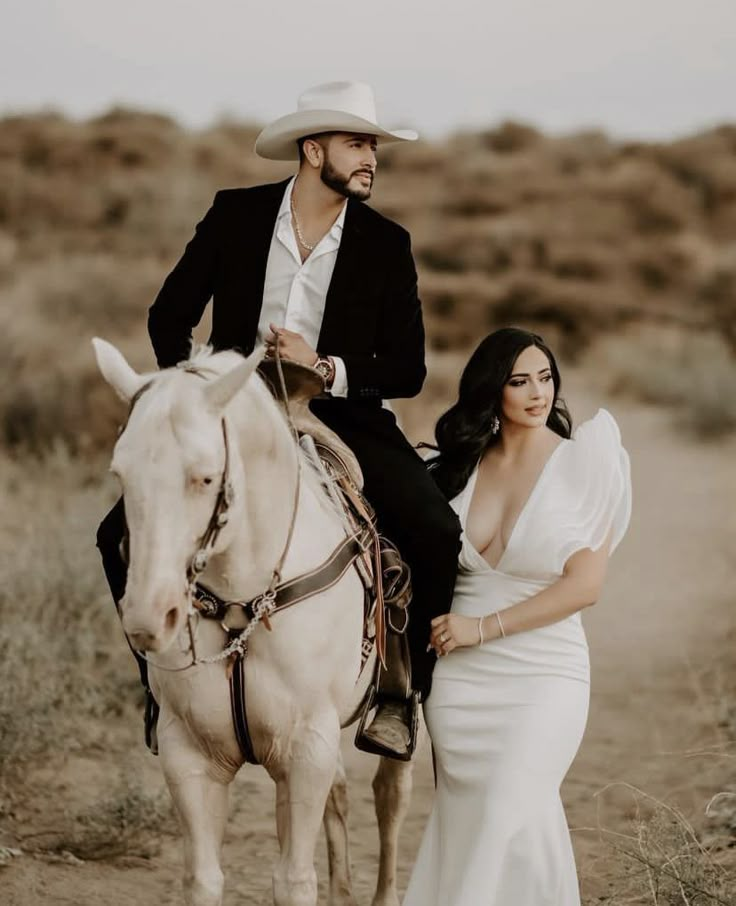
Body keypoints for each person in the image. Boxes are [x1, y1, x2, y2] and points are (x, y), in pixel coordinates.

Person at [96, 81, 462, 758]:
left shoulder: (387, 243)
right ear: (312, 147)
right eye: (357, 144)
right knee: (114, 531)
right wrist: (196, 392)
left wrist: (325, 368)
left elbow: (408, 368)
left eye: (374, 145)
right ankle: (158, 688)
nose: (370, 158)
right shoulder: (236, 215)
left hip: (341, 415)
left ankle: (398, 694)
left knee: (437, 531)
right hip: (233, 413)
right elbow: (168, 315)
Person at [403, 327, 632, 905]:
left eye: (546, 378)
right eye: (519, 380)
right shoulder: (454, 470)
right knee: (488, 823)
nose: (538, 393)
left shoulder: (588, 463)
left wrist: (482, 628)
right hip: (460, 683)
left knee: (510, 804)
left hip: (543, 673)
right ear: (491, 390)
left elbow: (586, 586)